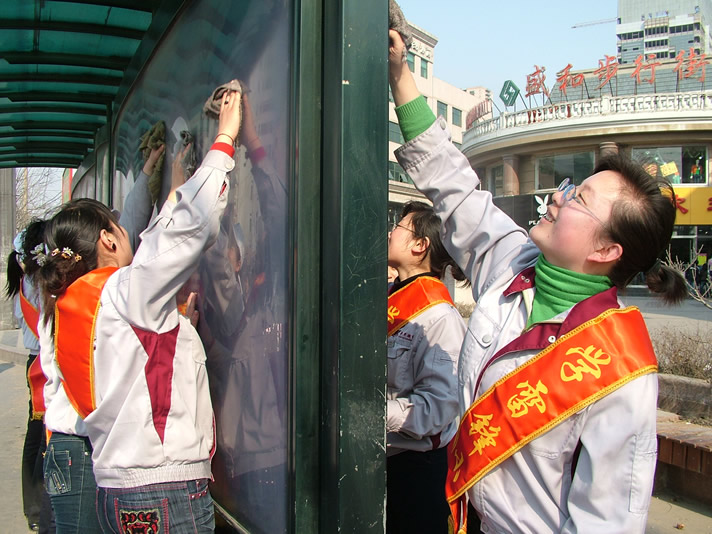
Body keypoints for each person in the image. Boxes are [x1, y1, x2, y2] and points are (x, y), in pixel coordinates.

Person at [388, 30, 687, 534]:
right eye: (572, 187)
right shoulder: (513, 263)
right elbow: (455, 188)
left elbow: (606, 521)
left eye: (579, 200)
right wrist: (399, 75)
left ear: (605, 251)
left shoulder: (620, 368)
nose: (558, 197)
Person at [36, 90, 240, 534]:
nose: (133, 233)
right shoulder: (125, 291)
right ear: (108, 240)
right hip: (162, 489)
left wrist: (179, 331)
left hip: (119, 488)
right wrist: (225, 137)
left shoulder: (73, 305)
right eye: (119, 226)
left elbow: (136, 366)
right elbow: (186, 228)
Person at [386, 201, 467, 533]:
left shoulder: (440, 318)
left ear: (420, 245)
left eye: (398, 227)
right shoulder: (388, 299)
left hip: (414, 472)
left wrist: (368, 413)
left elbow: (436, 409)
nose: (389, 233)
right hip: (382, 459)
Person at [6, 220, 53, 533]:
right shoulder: (36, 282)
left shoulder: (25, 282)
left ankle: (33, 506)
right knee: (39, 434)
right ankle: (36, 506)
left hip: (34, 360)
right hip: (41, 363)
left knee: (35, 434)